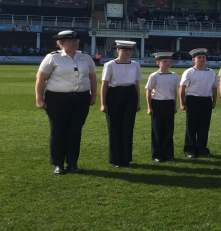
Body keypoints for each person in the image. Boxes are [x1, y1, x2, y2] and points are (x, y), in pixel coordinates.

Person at [35, 30, 96, 174]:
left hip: (81, 98)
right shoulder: (53, 58)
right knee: (58, 131)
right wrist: (39, 98)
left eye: (76, 41)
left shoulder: (85, 57)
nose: (74, 43)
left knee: (75, 131)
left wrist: (93, 95)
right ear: (61, 43)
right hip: (57, 99)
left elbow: (92, 77)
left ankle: (73, 163)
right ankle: (58, 164)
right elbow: (41, 78)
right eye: (70, 41)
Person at [100, 40, 142, 167]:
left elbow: (137, 84)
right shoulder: (110, 65)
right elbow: (104, 85)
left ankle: (126, 159)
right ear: (117, 50)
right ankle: (116, 159)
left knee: (128, 128)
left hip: (130, 94)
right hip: (114, 95)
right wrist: (103, 103)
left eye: (129, 50)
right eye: (124, 50)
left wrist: (138, 102)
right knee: (114, 127)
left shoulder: (135, 65)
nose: (128, 52)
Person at [180, 48, 218, 158]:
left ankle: (202, 148)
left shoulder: (210, 72)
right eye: (199, 57)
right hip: (192, 100)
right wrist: (182, 103)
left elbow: (214, 88)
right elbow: (182, 88)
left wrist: (214, 101)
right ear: (193, 59)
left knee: (204, 126)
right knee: (191, 126)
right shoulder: (189, 72)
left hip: (206, 100)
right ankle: (189, 149)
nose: (202, 59)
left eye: (203, 57)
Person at [145, 52, 179, 162]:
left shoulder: (174, 75)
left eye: (169, 61)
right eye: (165, 61)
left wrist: (174, 105)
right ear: (158, 62)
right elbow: (148, 91)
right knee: (157, 130)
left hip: (169, 103)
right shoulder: (154, 76)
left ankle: (169, 154)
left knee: (169, 129)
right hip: (157, 103)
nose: (168, 63)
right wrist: (149, 107)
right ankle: (157, 155)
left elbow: (174, 91)